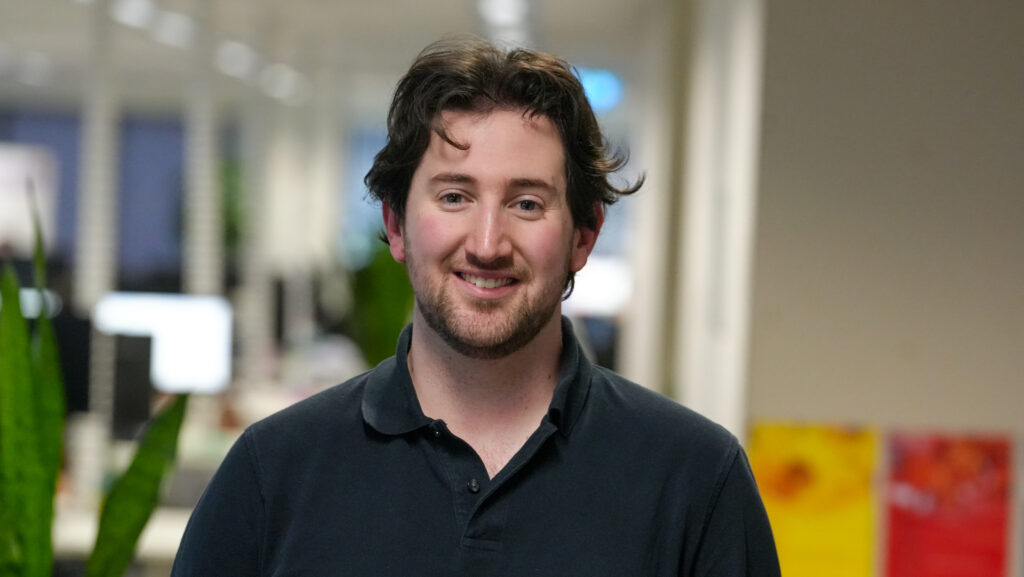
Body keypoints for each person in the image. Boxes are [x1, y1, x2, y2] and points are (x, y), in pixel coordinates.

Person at [172, 37, 780, 576]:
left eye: (527, 204)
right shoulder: (271, 472)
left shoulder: (697, 479)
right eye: (455, 197)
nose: (487, 244)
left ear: (584, 236)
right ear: (396, 226)